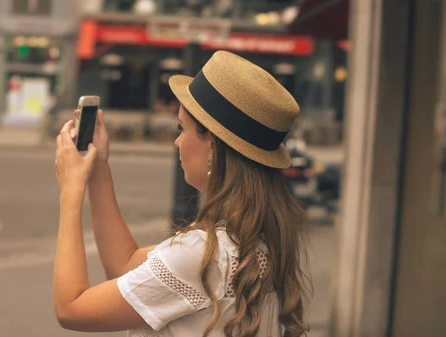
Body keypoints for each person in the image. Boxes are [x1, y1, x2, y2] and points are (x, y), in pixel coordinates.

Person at [53, 50, 311, 336]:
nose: (177, 141)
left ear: (212, 144)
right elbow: (125, 267)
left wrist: (71, 192)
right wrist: (98, 169)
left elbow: (71, 308)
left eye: (182, 128)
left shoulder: (201, 255)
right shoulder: (257, 239)